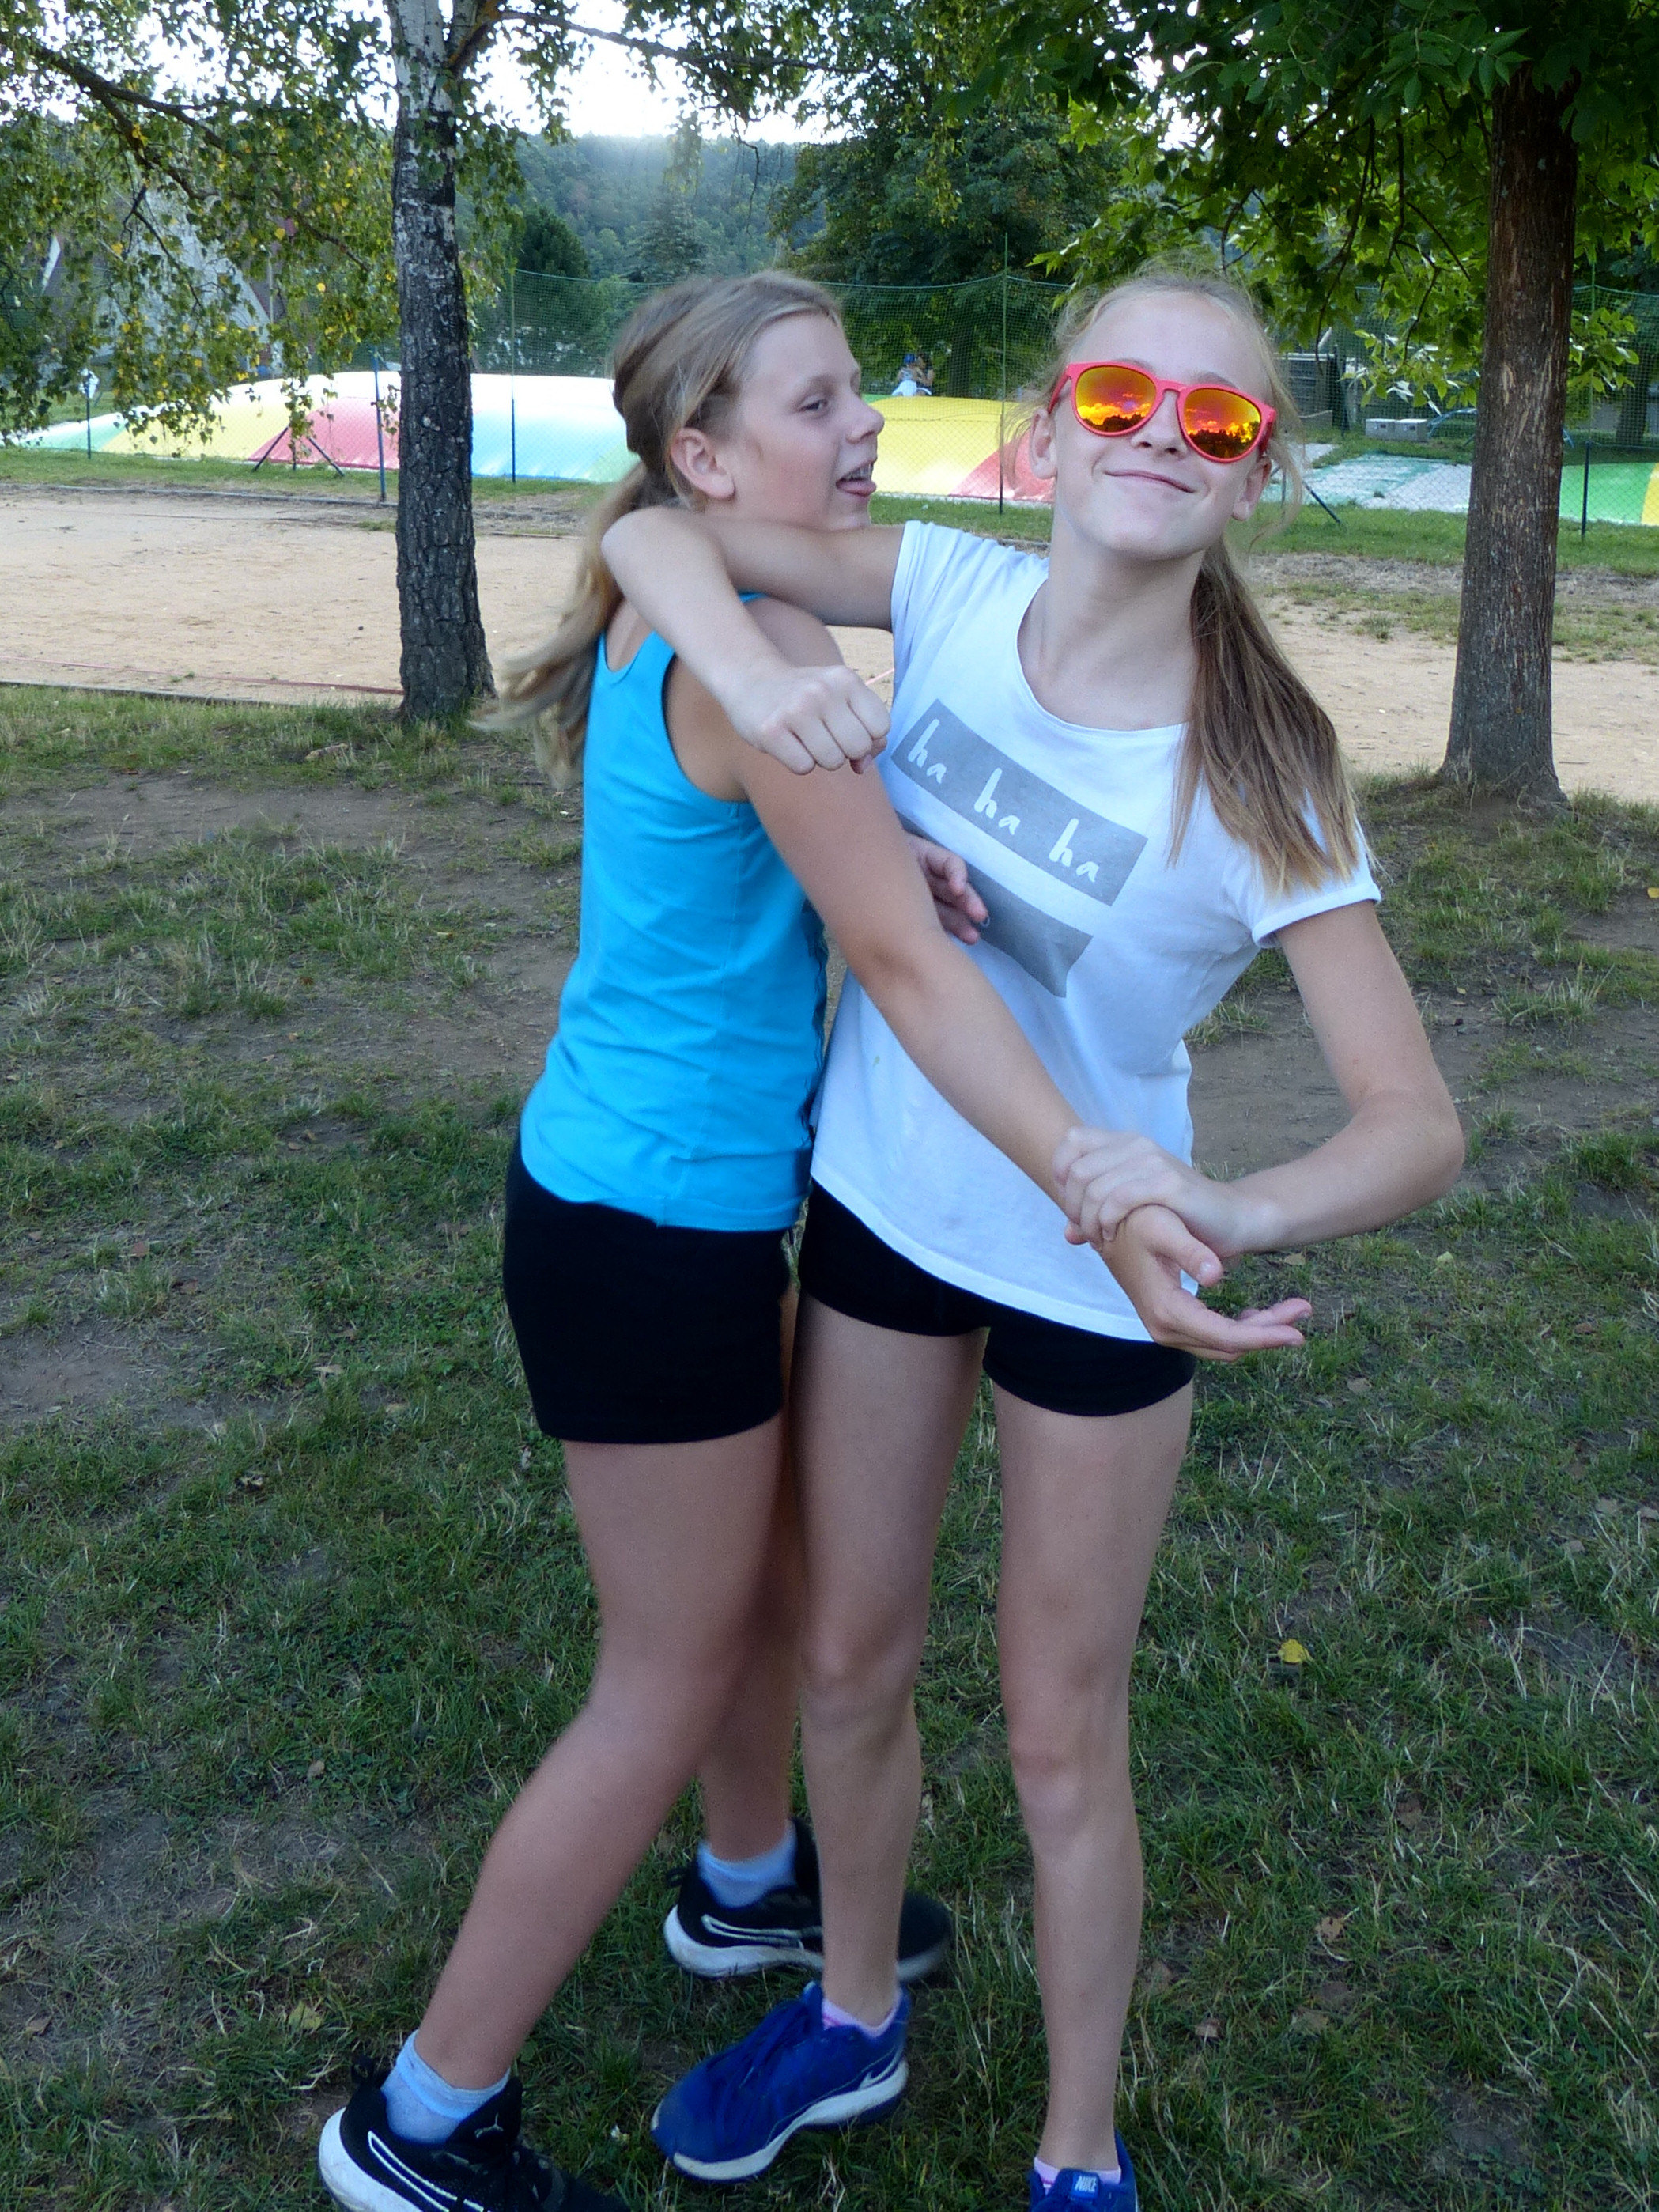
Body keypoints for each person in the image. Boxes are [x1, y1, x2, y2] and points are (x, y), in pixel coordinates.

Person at [317, 273, 1236, 2212]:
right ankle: (422, 2117)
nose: (863, 426)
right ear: (707, 456)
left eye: (858, 390)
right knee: (658, 1677)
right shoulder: (766, 662)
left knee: (749, 1595)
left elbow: (804, 838)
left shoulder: (714, 621)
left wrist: (877, 834)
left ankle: (749, 1890)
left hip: (636, 1200)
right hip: (653, 1229)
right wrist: (1091, 1170)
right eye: (815, 403)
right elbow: (900, 962)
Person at [602, 264, 1466, 2208]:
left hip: (1104, 1274)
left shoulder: (1263, 767)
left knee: (1060, 1734)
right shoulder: (942, 589)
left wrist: (1229, 1202)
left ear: (1254, 474)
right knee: (847, 1656)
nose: (1162, 432)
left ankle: (1077, 2150)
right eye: (1119, 395)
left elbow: (1415, 1120)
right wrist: (751, 671)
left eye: (1216, 418)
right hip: (887, 1214)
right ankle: (849, 2015)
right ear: (1050, 424)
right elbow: (656, 531)